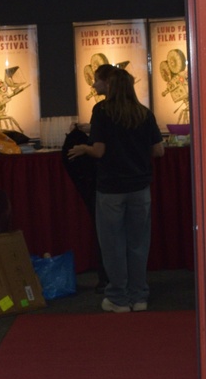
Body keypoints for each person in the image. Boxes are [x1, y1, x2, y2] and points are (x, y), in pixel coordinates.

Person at [67, 65, 164, 312]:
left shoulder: (102, 111)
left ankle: (119, 298)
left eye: (97, 81)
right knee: (138, 244)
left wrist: (82, 148)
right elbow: (159, 150)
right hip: (140, 187)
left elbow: (99, 150)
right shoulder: (143, 112)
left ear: (108, 84)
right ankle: (139, 296)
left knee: (113, 245)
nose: (94, 85)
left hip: (111, 188)